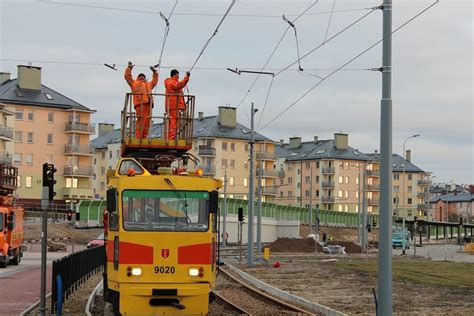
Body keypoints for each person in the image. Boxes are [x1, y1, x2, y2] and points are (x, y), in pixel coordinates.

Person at [124, 61, 158, 138]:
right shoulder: (134, 83)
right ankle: (138, 138)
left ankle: (143, 138)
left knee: (147, 122)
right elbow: (127, 77)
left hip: (148, 104)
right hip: (140, 104)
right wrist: (129, 68)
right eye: (141, 76)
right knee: (141, 122)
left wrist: (154, 72)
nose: (142, 77)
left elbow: (155, 81)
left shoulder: (147, 84)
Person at [164, 69, 190, 140]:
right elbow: (179, 85)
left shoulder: (170, 82)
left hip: (172, 105)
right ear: (175, 74)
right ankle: (171, 139)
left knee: (172, 122)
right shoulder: (172, 82)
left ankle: (169, 138)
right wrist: (186, 78)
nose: (178, 77)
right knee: (174, 123)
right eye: (178, 75)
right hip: (173, 105)